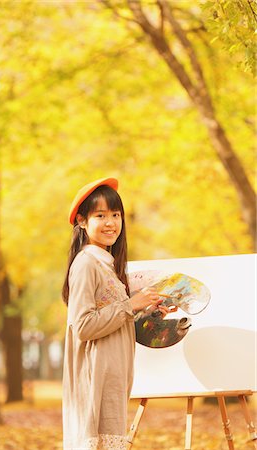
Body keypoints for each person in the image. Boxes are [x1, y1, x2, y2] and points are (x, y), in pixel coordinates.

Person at [62, 177, 169, 450]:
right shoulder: (86, 264)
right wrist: (131, 305)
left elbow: (113, 318)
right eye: (100, 215)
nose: (110, 223)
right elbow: (84, 326)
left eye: (115, 215)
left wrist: (147, 307)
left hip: (113, 377)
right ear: (83, 222)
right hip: (95, 377)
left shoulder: (108, 266)